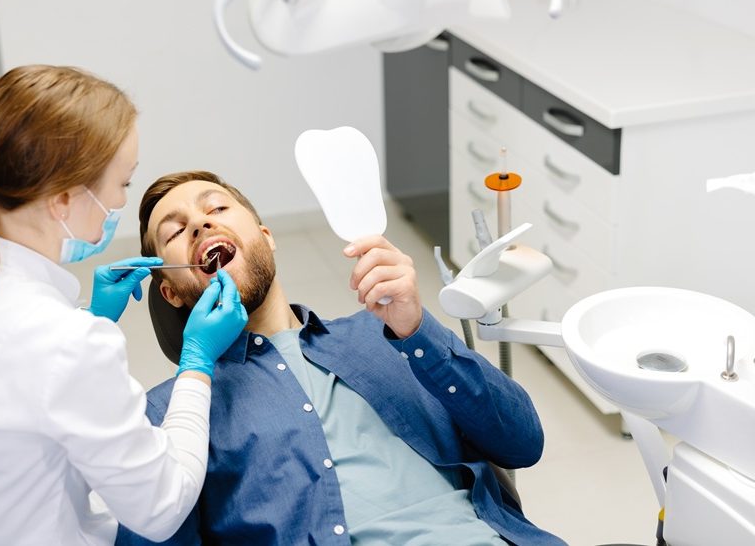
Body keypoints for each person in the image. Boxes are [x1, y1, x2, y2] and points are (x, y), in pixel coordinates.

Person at [116, 170, 567, 546]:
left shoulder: (386, 332)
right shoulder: (167, 415)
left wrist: (417, 330)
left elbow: (523, 443)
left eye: (216, 208)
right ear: (170, 292)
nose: (200, 224)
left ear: (267, 238)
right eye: (176, 231)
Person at [0, 67, 248, 545]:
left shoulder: (5, 302)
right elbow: (161, 507)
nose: (121, 201)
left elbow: (25, 388)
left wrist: (90, 318)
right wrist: (196, 365)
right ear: (64, 199)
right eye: (124, 183)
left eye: (217, 209)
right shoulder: (61, 341)